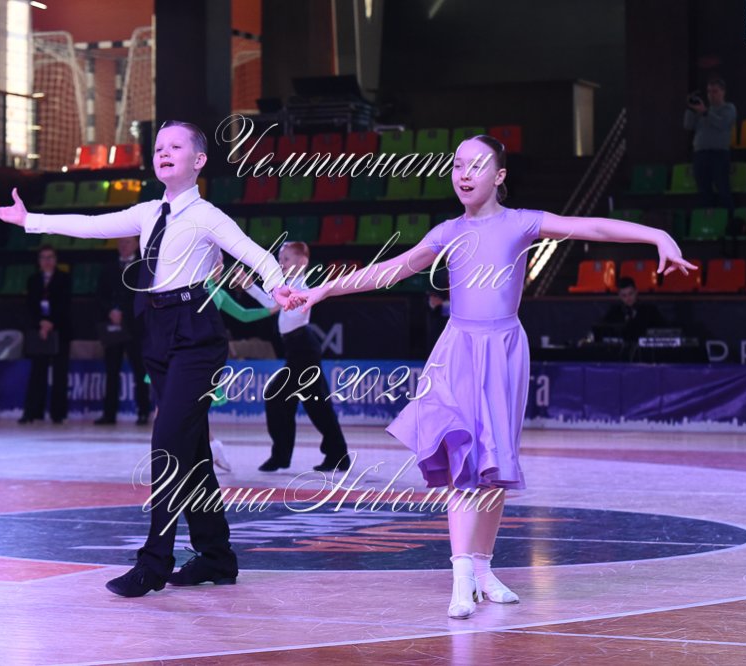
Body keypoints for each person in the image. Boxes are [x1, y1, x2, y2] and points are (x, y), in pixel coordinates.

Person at [290, 135, 695, 619]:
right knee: (462, 458)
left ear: (499, 175)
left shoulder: (521, 223)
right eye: (457, 165)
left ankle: (483, 569)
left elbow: (590, 225)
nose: (464, 174)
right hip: (458, 350)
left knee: (495, 463)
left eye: (476, 166)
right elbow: (391, 270)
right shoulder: (446, 232)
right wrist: (324, 291)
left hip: (504, 351)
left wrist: (657, 235)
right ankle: (461, 574)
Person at [0, 120, 295, 598]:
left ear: (199, 161)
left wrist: (278, 287)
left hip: (197, 335)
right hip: (157, 329)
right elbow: (91, 226)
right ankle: (216, 556)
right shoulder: (149, 212)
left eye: (175, 146)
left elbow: (257, 256)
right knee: (192, 452)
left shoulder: (208, 216)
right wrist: (30, 221)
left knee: (167, 444)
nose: (163, 152)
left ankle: (154, 562)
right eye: (159, 147)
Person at [242, 241, 351, 473]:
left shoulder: (301, 287)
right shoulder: (289, 286)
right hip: (298, 349)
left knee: (280, 396)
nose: (281, 263)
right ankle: (335, 454)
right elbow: (272, 304)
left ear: (302, 262)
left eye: (286, 259)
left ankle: (284, 456)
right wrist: (250, 286)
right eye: (280, 259)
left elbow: (280, 306)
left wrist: (256, 287)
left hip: (303, 350)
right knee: (314, 404)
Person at [203, 248, 279, 472]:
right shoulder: (195, 288)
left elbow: (243, 315)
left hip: (202, 355)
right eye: (216, 261)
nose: (220, 266)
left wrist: (271, 311)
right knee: (171, 408)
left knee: (191, 408)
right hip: (181, 351)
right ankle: (209, 447)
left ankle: (210, 447)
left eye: (220, 262)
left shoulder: (217, 291)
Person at [95, 237, 151, 426]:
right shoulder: (109, 267)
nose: (123, 246)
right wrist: (110, 311)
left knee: (139, 370)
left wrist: (125, 313)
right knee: (111, 371)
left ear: (136, 244)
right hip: (113, 326)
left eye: (127, 242)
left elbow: (143, 295)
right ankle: (109, 414)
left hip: (135, 327)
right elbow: (100, 295)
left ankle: (143, 412)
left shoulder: (143, 266)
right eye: (121, 242)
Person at [18, 245, 72, 425]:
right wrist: (41, 323)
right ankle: (32, 412)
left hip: (60, 330)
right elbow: (30, 306)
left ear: (55, 260)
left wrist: (51, 322)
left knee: (60, 373)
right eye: (43, 257)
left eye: (50, 257)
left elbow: (64, 304)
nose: (47, 261)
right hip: (38, 331)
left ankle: (58, 413)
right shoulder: (33, 280)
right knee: (37, 372)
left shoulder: (64, 278)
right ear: (39, 261)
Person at [683, 77, 737, 215]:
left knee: (723, 188)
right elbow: (688, 125)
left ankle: (729, 221)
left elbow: (722, 124)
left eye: (715, 91)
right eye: (709, 91)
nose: (711, 95)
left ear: (723, 92)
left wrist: (706, 112)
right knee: (703, 190)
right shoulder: (702, 110)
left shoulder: (728, 108)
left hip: (719, 154)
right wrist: (690, 108)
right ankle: (707, 220)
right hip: (700, 154)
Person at [600, 277, 665, 342]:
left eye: (630, 294)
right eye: (624, 295)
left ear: (636, 292)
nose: (628, 298)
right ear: (619, 296)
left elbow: (663, 330)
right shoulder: (614, 312)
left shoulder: (650, 311)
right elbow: (602, 329)